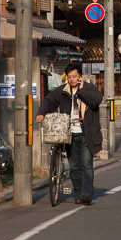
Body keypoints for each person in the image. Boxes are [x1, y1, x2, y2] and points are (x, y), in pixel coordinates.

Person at [36, 62, 102, 205]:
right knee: (74, 166)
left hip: (86, 133)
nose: (72, 79)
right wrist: (41, 113)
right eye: (70, 76)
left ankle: (87, 193)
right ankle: (79, 193)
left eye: (75, 76)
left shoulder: (89, 88)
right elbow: (49, 101)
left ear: (80, 77)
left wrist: (81, 90)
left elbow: (96, 101)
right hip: (69, 133)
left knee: (86, 164)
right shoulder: (62, 90)